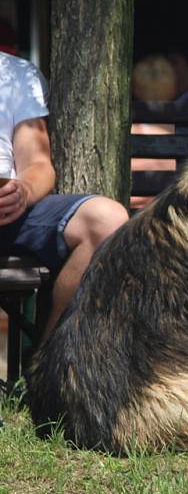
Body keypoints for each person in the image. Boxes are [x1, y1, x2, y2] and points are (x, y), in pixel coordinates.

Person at [0, 50, 129, 337]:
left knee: (106, 221)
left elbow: (38, 164)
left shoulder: (15, 75)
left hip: (7, 217)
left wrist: (23, 191)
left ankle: (47, 370)